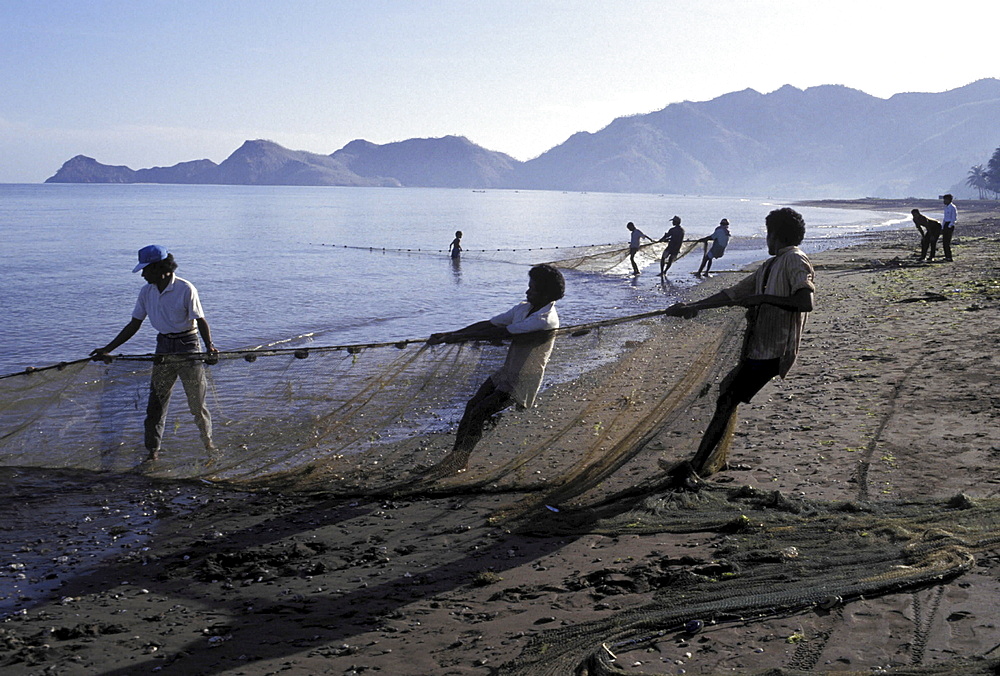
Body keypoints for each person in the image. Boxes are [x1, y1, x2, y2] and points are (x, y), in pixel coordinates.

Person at [663, 207, 814, 484]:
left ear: (776, 236)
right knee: (726, 393)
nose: (767, 239)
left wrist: (763, 300)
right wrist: (692, 306)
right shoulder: (769, 265)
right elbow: (732, 294)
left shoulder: (794, 260)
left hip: (774, 350)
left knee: (727, 398)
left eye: (768, 234)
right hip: (757, 347)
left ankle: (697, 466)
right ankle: (715, 458)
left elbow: (805, 302)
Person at [426, 264, 565, 474]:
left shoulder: (544, 320)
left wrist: (454, 338)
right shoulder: (524, 308)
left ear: (546, 294)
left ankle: (459, 461)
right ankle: (457, 458)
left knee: (479, 412)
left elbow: (500, 335)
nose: (527, 291)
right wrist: (450, 333)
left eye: (533, 288)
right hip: (506, 371)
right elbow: (491, 325)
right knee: (472, 406)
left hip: (523, 380)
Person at [91, 245, 219, 464]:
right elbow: (134, 324)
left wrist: (210, 347)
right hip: (163, 348)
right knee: (156, 404)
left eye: (146, 270)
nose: (142, 275)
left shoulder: (185, 288)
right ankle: (152, 453)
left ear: (162, 269)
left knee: (196, 404)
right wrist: (107, 349)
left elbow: (200, 320)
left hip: (188, 346)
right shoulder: (146, 292)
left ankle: (209, 446)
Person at [941, 194, 957, 262]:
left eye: (945, 200)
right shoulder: (946, 207)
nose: (944, 201)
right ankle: (946, 256)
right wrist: (943, 226)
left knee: (947, 242)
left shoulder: (952, 207)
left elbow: (954, 218)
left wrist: (950, 225)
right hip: (946, 224)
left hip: (949, 225)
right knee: (944, 242)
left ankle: (949, 257)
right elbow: (945, 218)